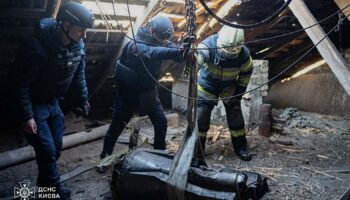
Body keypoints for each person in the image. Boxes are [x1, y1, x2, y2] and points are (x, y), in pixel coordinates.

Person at [8, 2, 93, 199]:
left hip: (54, 103)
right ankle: (54, 192)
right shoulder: (35, 48)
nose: (84, 35)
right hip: (35, 106)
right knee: (46, 150)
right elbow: (19, 85)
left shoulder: (78, 45)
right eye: (81, 30)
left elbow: (79, 75)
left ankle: (45, 191)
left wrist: (83, 98)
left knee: (55, 149)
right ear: (65, 25)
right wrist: (26, 116)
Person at [98, 16, 183, 171]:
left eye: (165, 40)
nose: (163, 42)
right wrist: (173, 51)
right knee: (117, 126)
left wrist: (182, 49)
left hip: (148, 91)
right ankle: (104, 157)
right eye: (160, 39)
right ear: (151, 31)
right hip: (127, 94)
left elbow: (169, 47)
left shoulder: (161, 40)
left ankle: (159, 154)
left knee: (161, 122)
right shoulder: (135, 45)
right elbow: (151, 53)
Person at [196, 25, 253, 161]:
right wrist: (196, 60)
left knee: (235, 115)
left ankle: (241, 148)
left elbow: (246, 72)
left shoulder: (244, 54)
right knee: (201, 117)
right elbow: (199, 56)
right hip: (207, 86)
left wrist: (239, 92)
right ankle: (198, 150)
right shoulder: (209, 44)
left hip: (229, 88)